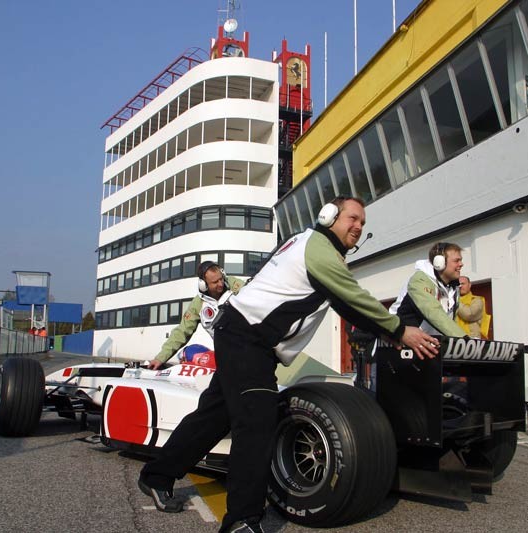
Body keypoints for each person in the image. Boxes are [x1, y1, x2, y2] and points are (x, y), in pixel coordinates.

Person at [137, 196, 440, 533]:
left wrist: (384, 331)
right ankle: (242, 520)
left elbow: (343, 303)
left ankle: (156, 476)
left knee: (213, 417)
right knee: (257, 421)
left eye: (363, 223)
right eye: (352, 218)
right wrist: (399, 330)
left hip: (241, 334)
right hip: (246, 337)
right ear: (328, 216)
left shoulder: (304, 243)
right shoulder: (319, 250)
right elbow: (352, 299)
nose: (358, 226)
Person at [147, 261, 245, 370]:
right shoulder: (198, 304)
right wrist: (160, 358)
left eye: (221, 279)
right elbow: (182, 332)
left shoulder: (235, 286)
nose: (221, 284)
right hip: (227, 356)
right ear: (203, 285)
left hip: (251, 347)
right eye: (215, 282)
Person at [389, 241, 467, 338]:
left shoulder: (453, 287)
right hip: (397, 343)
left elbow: (450, 322)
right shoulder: (420, 280)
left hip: (427, 344)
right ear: (440, 262)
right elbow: (433, 312)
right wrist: (464, 339)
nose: (461, 264)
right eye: (457, 260)